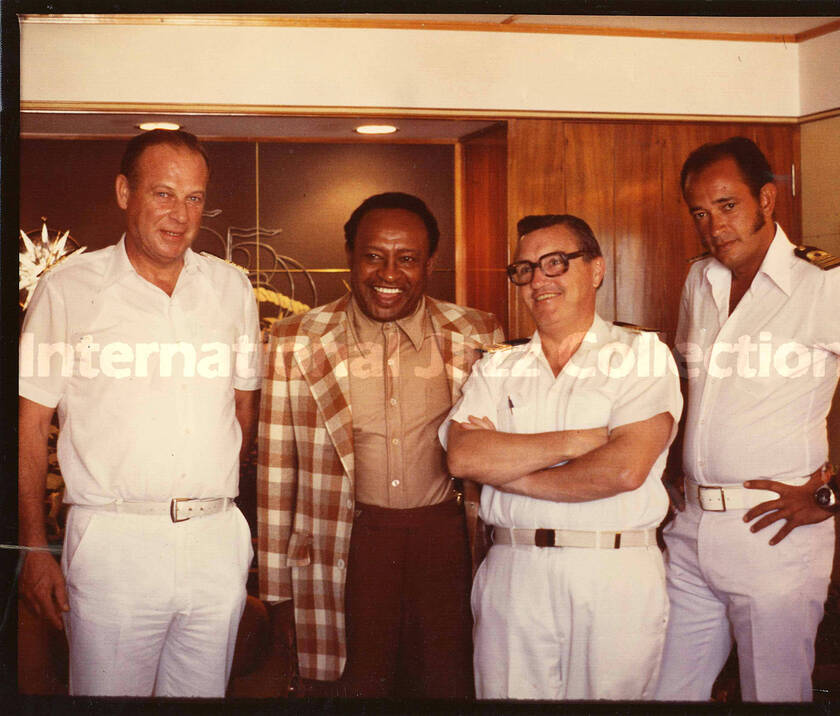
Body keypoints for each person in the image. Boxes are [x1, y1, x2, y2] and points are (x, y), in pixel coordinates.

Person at [18, 129, 261, 696]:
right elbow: (28, 426)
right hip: (113, 541)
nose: (180, 214)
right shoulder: (68, 289)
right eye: (164, 194)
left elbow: (242, 410)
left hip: (214, 540)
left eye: (195, 197)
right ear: (125, 192)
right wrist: (32, 548)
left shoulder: (231, 289)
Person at [654, 137, 840, 702]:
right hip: (691, 529)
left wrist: (835, 494)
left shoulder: (824, 285)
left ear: (766, 199)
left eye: (728, 205)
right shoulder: (699, 281)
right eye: (700, 213)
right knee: (662, 692)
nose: (714, 226)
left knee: (773, 695)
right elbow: (696, 388)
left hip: (775, 532)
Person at [257, 192, 504, 698]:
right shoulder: (294, 339)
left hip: (447, 547)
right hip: (345, 546)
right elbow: (276, 472)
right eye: (374, 255)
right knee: (352, 689)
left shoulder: (477, 333)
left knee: (448, 688)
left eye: (407, 259)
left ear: (429, 264)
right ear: (351, 256)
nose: (388, 273)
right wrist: (277, 592)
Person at [442, 214, 682, 700]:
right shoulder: (498, 365)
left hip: (613, 571)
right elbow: (464, 457)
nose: (539, 281)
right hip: (514, 569)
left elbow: (624, 468)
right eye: (525, 269)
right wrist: (581, 440)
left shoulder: (643, 355)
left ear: (596, 269)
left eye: (555, 263)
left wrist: (510, 475)